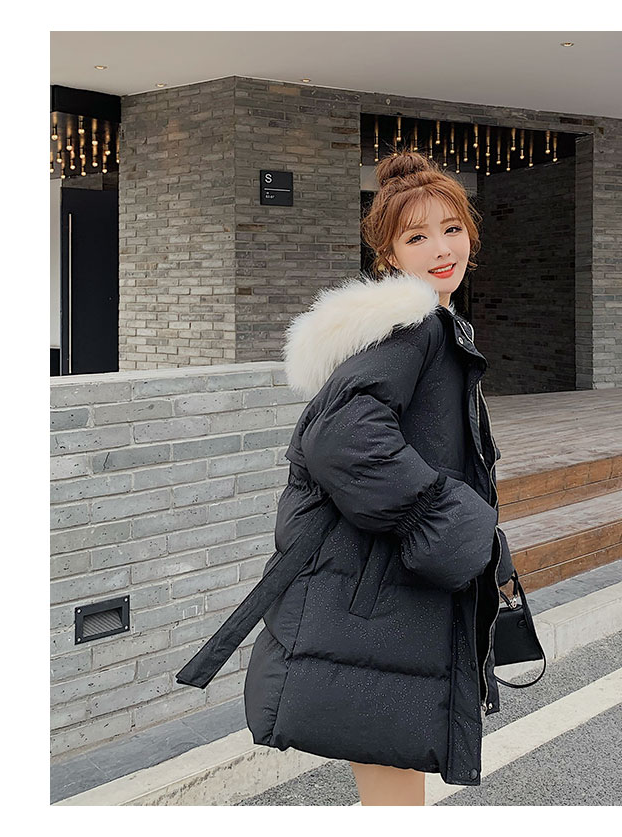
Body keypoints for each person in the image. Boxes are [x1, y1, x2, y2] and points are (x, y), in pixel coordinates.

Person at [176, 150, 514, 806]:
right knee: (395, 794)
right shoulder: (413, 331)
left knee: (393, 787)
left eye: (452, 228)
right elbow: (341, 437)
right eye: (417, 237)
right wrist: (443, 520)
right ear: (389, 254)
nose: (441, 248)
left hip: (383, 593)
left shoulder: (431, 326)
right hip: (382, 601)